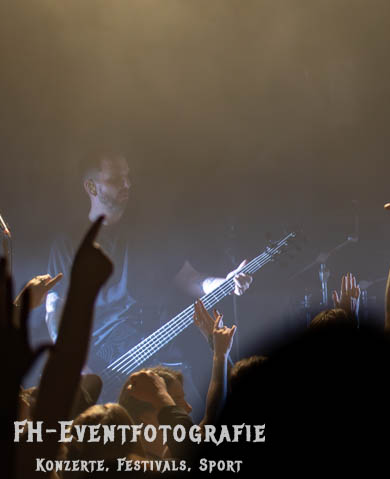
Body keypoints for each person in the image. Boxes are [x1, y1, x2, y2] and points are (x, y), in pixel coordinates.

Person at [44, 149, 254, 401]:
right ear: (91, 187)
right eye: (115, 179)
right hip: (105, 370)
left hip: (163, 362)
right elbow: (55, 312)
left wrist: (225, 282)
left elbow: (191, 279)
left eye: (127, 176)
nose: (126, 184)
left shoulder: (149, 231)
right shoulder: (68, 245)